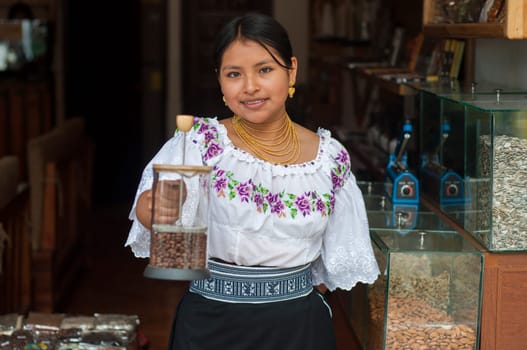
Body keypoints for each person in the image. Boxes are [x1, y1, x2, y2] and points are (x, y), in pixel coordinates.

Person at [126, 13, 380, 350]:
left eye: (265, 70)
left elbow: (332, 266)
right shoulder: (199, 144)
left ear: (291, 70)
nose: (250, 87)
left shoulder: (330, 159)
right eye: (234, 74)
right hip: (212, 326)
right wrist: (152, 209)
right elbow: (159, 215)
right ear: (219, 80)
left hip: (300, 330)